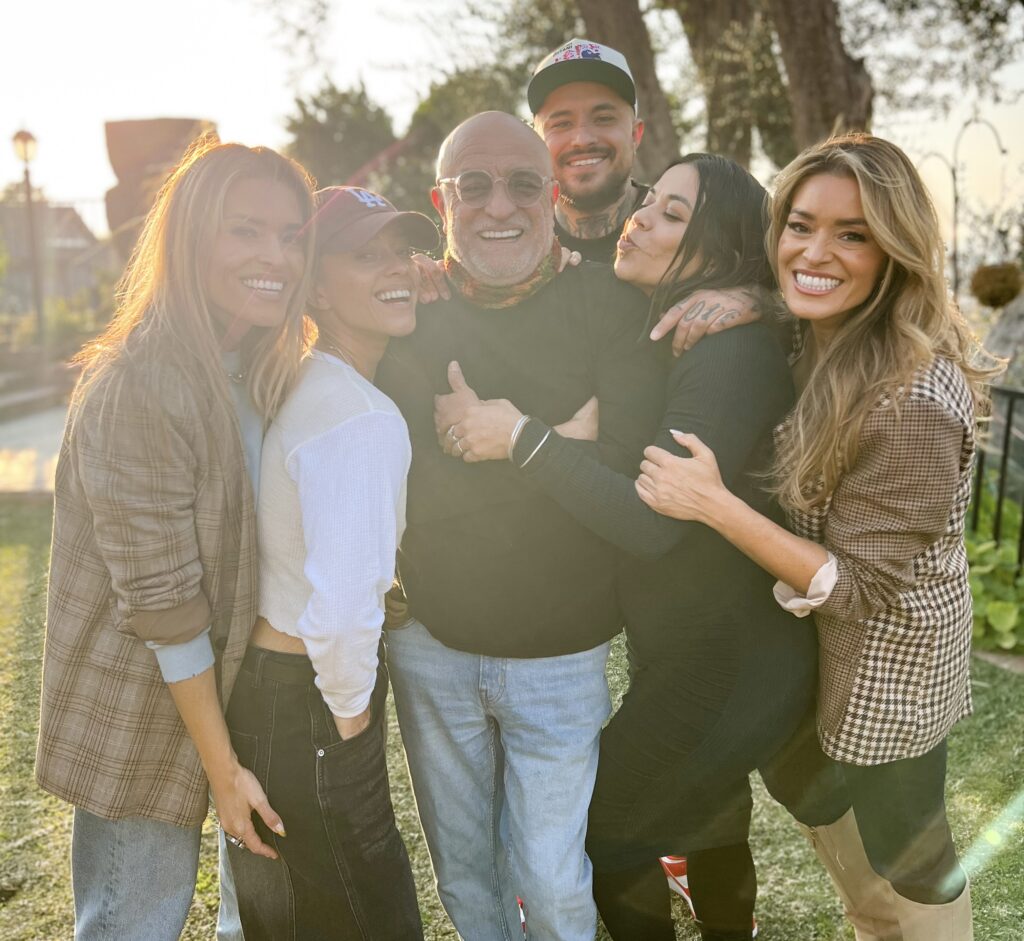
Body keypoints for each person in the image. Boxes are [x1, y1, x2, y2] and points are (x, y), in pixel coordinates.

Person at [441, 153, 822, 940]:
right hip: (691, 644)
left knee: (606, 826)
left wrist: (523, 438)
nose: (640, 217)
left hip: (728, 653)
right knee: (706, 809)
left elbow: (653, 523)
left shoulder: (729, 352)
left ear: (722, 251)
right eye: (651, 200)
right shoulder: (673, 328)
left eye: (674, 215)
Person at [634, 134, 996, 940]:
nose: (814, 251)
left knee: (908, 848)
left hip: (892, 656)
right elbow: (794, 287)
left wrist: (714, 504)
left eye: (852, 234)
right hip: (810, 634)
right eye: (800, 225)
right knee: (822, 805)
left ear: (894, 250)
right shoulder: (812, 328)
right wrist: (754, 299)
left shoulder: (913, 401)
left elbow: (860, 588)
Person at [374, 111, 664, 941]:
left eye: (523, 183)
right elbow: (414, 477)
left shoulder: (609, 302)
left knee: (554, 879)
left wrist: (508, 437)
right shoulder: (409, 311)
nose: (499, 204)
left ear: (552, 194)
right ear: (442, 201)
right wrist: (567, 438)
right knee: (467, 874)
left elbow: (628, 473)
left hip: (561, 655)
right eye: (474, 185)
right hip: (432, 645)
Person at [36, 138, 315, 940]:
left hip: (244, 687)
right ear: (189, 237)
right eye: (245, 230)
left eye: (290, 235)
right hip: (143, 697)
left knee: (252, 919)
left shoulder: (261, 363)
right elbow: (164, 606)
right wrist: (223, 769)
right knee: (133, 923)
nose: (276, 256)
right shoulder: (138, 382)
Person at [222, 185, 437, 940]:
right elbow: (344, 609)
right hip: (310, 698)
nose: (398, 267)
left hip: (263, 691)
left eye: (402, 251)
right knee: (366, 914)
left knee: (288, 918)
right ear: (314, 287)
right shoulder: (361, 417)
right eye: (366, 255)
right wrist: (350, 724)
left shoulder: (297, 382)